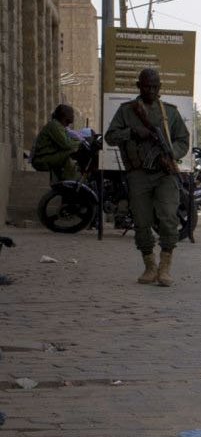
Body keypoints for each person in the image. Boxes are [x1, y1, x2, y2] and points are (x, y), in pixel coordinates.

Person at [104, 68, 191, 284]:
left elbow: (183, 139)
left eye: (155, 86)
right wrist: (132, 133)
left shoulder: (169, 112)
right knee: (142, 221)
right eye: (146, 86)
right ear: (138, 86)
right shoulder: (126, 111)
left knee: (169, 218)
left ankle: (164, 267)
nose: (151, 90)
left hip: (165, 174)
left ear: (160, 87)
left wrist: (172, 154)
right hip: (138, 174)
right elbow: (110, 137)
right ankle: (149, 266)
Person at [30, 104, 83, 184]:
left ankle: (71, 179)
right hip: (42, 160)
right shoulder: (54, 125)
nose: (73, 116)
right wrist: (81, 143)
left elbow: (70, 141)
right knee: (70, 152)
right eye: (71, 113)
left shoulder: (60, 127)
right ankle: (70, 182)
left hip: (49, 157)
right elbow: (67, 144)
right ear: (64, 115)